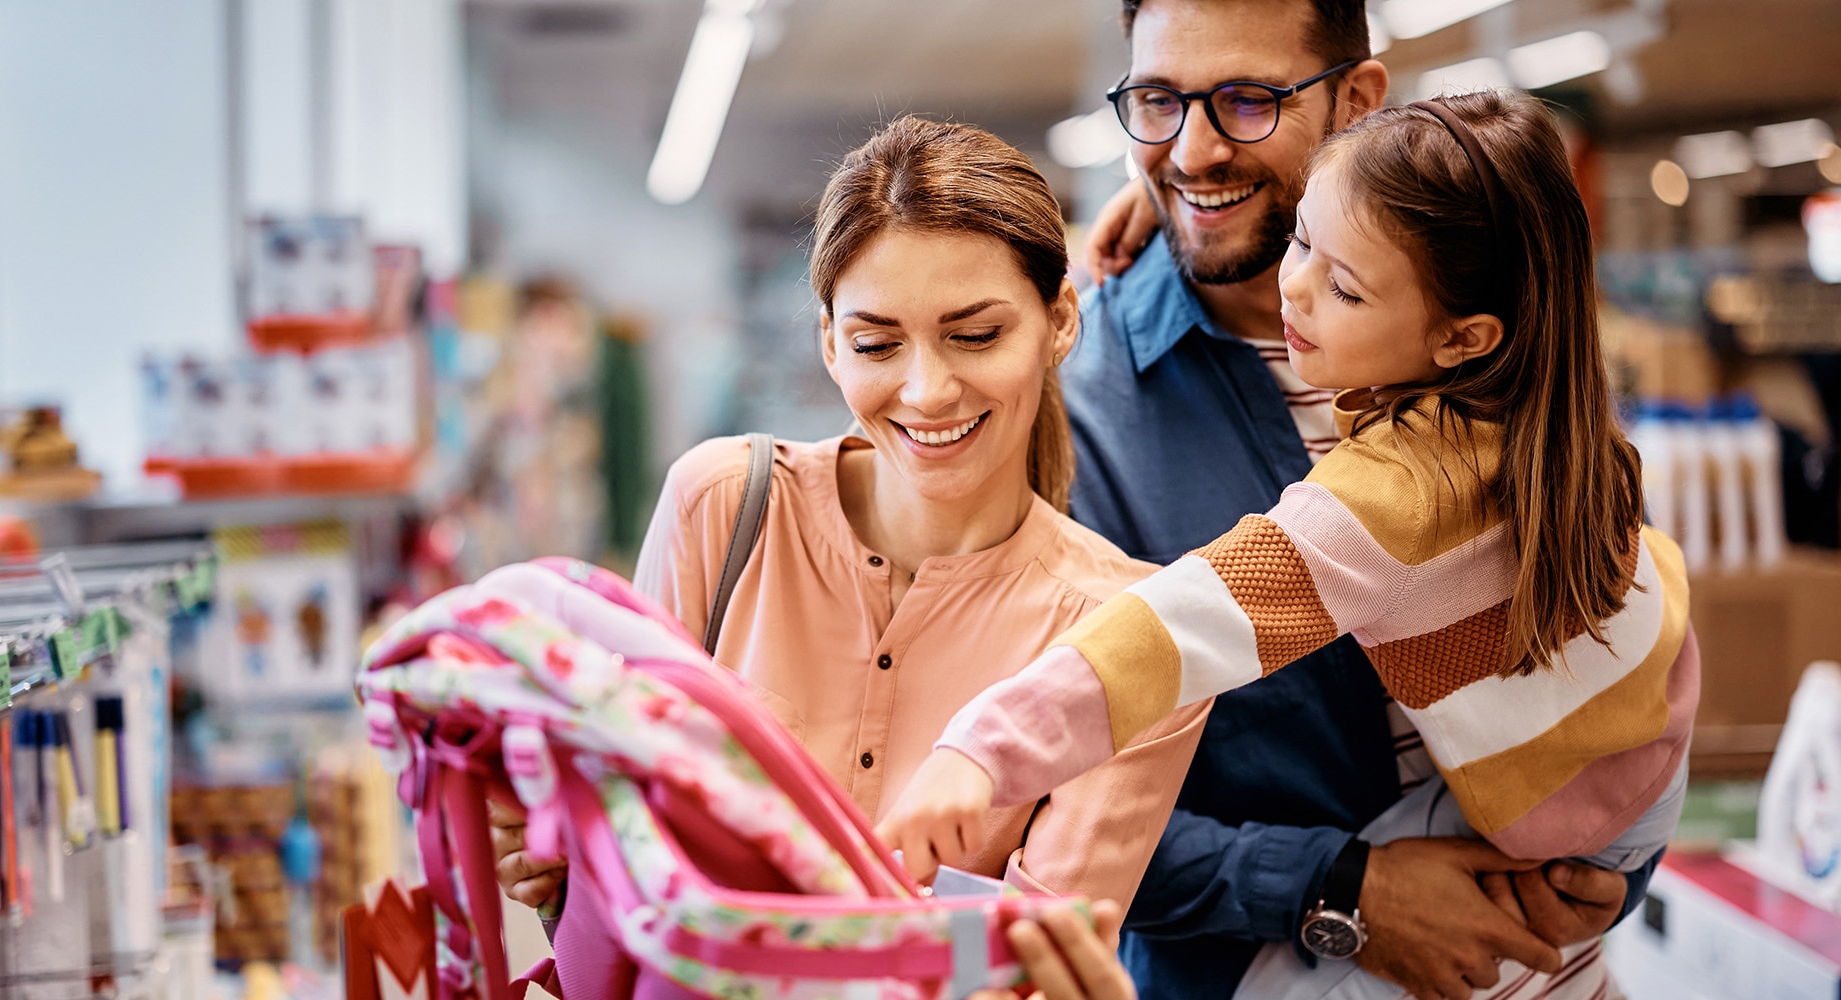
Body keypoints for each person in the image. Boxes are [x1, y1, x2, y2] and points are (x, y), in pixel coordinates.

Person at [879, 88, 1699, 1000]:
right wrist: (1154, 205)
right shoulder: (1554, 412)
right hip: (1644, 741)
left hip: (1571, 817)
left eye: (1344, 285)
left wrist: (981, 751)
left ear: (1464, 335)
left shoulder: (1396, 497)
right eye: (1301, 238)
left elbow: (1174, 627)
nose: (1293, 287)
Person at [490, 115, 1209, 999]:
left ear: (1060, 321)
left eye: (976, 334)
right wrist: (559, 858)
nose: (926, 389)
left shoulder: (1127, 638)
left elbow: (1028, 975)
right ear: (830, 341)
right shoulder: (723, 508)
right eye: (876, 343)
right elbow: (622, 860)